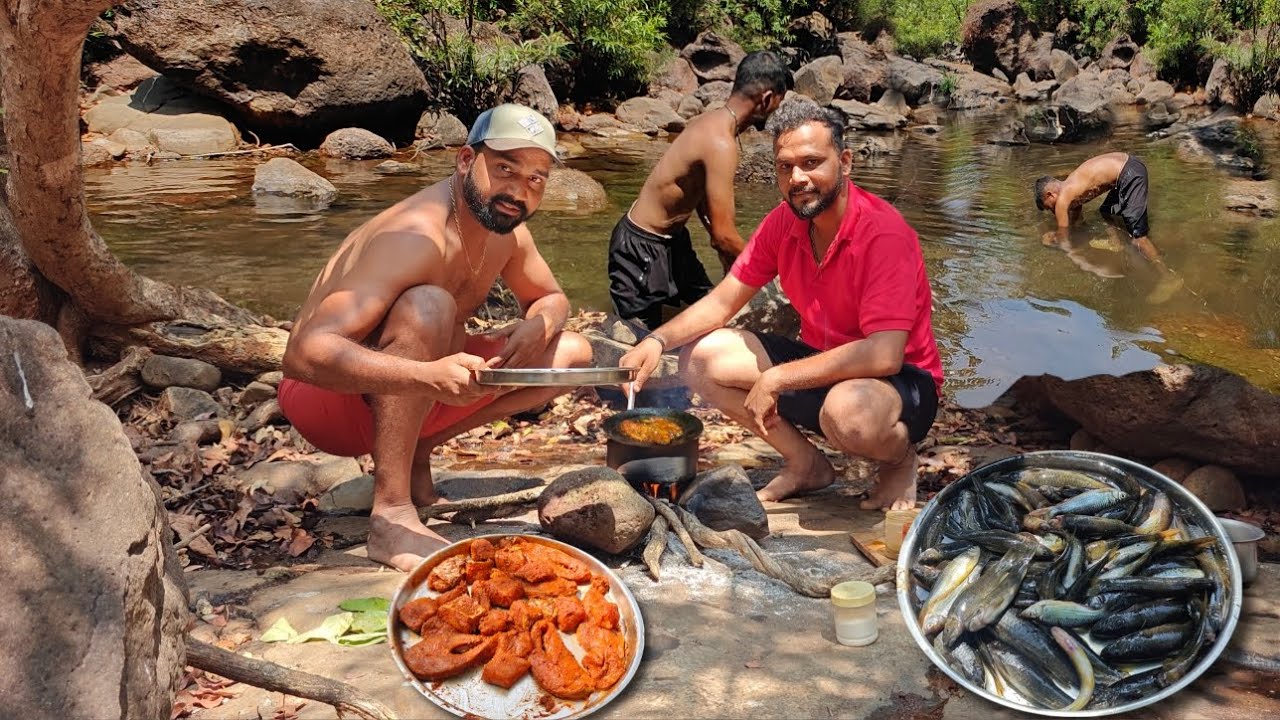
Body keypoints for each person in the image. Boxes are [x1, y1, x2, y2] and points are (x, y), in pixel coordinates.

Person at [279, 104, 593, 571]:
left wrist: (539, 322)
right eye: (505, 168)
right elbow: (303, 356)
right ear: (466, 160)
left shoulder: (505, 229)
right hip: (327, 401)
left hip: (417, 388)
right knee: (430, 305)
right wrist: (425, 376)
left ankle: (417, 451)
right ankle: (391, 516)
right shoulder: (413, 236)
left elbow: (552, 298)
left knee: (571, 352)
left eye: (535, 178)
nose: (518, 191)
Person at [619, 98, 943, 511]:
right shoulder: (783, 223)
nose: (798, 178)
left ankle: (899, 461)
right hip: (823, 361)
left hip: (901, 382)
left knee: (848, 414)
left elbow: (884, 355)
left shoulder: (883, 235)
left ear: (844, 162)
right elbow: (722, 302)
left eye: (811, 162)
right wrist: (656, 342)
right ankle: (806, 463)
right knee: (701, 358)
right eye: (785, 166)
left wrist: (775, 380)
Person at [607, 51, 794, 331]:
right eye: (777, 105)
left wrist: (729, 259)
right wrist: (775, 274)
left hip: (674, 241)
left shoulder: (714, 123)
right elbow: (724, 235)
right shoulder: (720, 143)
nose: (775, 112)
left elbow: (703, 205)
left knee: (707, 308)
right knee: (637, 339)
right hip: (641, 246)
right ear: (766, 99)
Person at [1034, 152, 1182, 301]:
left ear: (1050, 195)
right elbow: (1076, 223)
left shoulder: (1063, 198)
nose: (1052, 211)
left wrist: (1052, 239)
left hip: (1129, 174)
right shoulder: (1072, 187)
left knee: (1138, 238)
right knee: (1106, 211)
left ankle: (1169, 278)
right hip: (1129, 166)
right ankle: (1115, 242)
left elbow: (1064, 238)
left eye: (1048, 207)